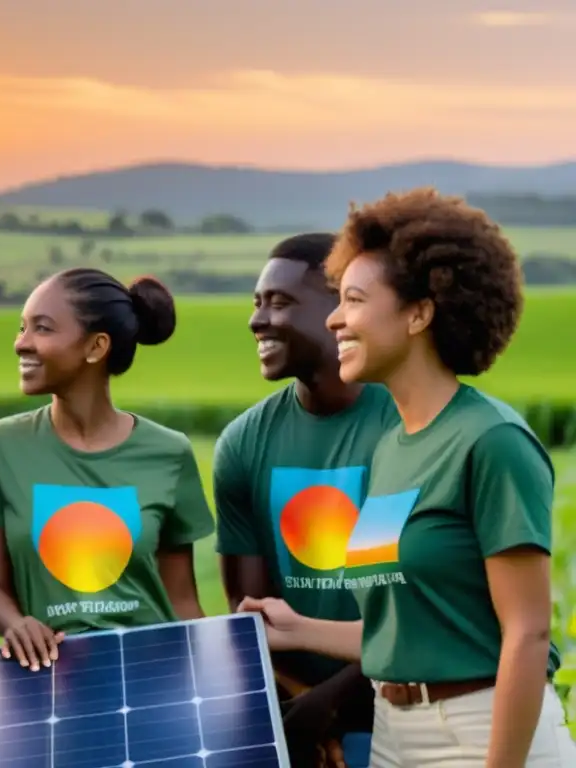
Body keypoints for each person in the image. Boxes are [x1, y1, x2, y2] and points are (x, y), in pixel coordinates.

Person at [239, 188, 576, 767]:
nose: (335, 318)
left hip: (480, 732)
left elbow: (526, 636)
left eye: (354, 300)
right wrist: (298, 629)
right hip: (394, 734)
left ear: (420, 312)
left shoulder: (491, 441)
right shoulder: (392, 446)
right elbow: (409, 631)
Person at [0, 268, 215, 670]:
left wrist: (212, 684)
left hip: (154, 672)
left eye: (41, 329)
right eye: (21, 328)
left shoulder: (169, 452)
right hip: (53, 676)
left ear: (96, 346)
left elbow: (182, 600)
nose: (21, 344)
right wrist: (17, 623)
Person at [214, 233, 400, 768]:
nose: (258, 320)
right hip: (297, 717)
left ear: (341, 308)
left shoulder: (402, 429)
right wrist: (302, 713)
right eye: (256, 303)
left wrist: (334, 706)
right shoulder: (243, 442)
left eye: (280, 302)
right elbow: (246, 616)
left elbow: (415, 612)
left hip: (404, 702)